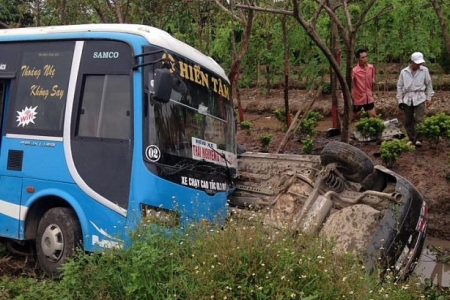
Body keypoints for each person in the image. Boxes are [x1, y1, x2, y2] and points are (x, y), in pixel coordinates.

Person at [396, 52, 434, 147]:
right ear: (412, 62)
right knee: (408, 120)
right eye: (417, 63)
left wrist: (429, 98)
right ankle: (411, 138)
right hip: (407, 98)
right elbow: (400, 86)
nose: (419, 65)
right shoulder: (404, 72)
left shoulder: (424, 70)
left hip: (420, 97)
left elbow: (429, 84)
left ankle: (419, 139)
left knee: (419, 119)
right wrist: (400, 100)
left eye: (420, 63)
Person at [352, 48, 377, 121]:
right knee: (351, 117)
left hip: (368, 97)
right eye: (363, 57)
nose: (365, 59)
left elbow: (373, 81)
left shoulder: (371, 68)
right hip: (358, 98)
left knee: (373, 117)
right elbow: (349, 83)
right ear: (358, 59)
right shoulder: (354, 71)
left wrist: (371, 92)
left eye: (366, 56)